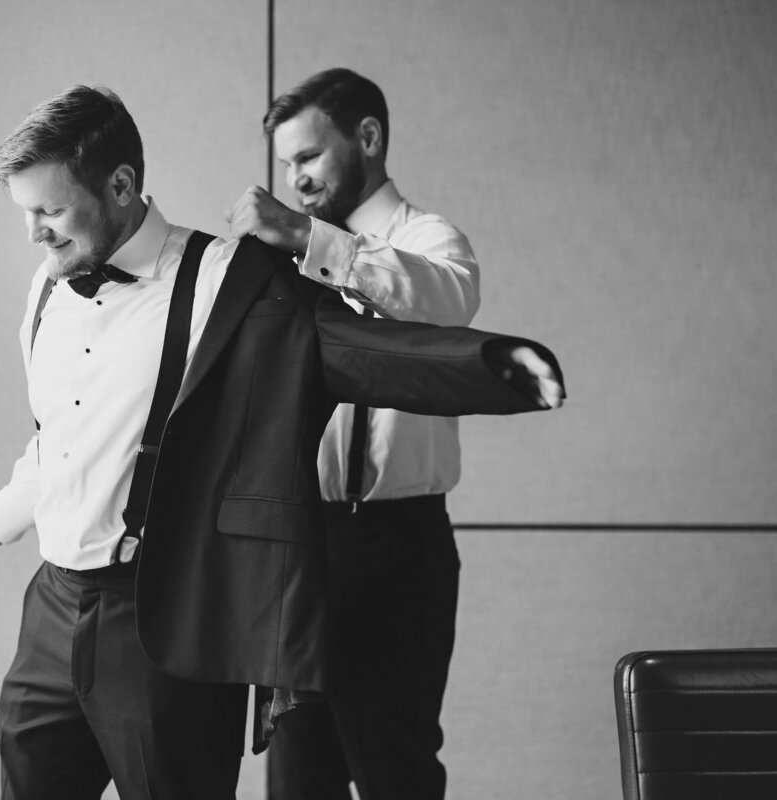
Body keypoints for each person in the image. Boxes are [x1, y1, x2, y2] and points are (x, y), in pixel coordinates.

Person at [0, 84, 564, 800]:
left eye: (49, 210)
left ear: (121, 185)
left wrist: (494, 369)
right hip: (50, 613)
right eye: (26, 214)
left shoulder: (226, 279)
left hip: (168, 613)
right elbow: (55, 449)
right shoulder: (47, 288)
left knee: (389, 763)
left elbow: (360, 348)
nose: (35, 233)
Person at [226, 67, 478, 800]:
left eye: (307, 157)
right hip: (298, 550)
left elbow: (444, 304)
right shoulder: (277, 263)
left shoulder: (429, 241)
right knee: (297, 776)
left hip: (396, 546)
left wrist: (311, 237)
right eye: (285, 167)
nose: (294, 180)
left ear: (367, 138)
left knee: (394, 769)